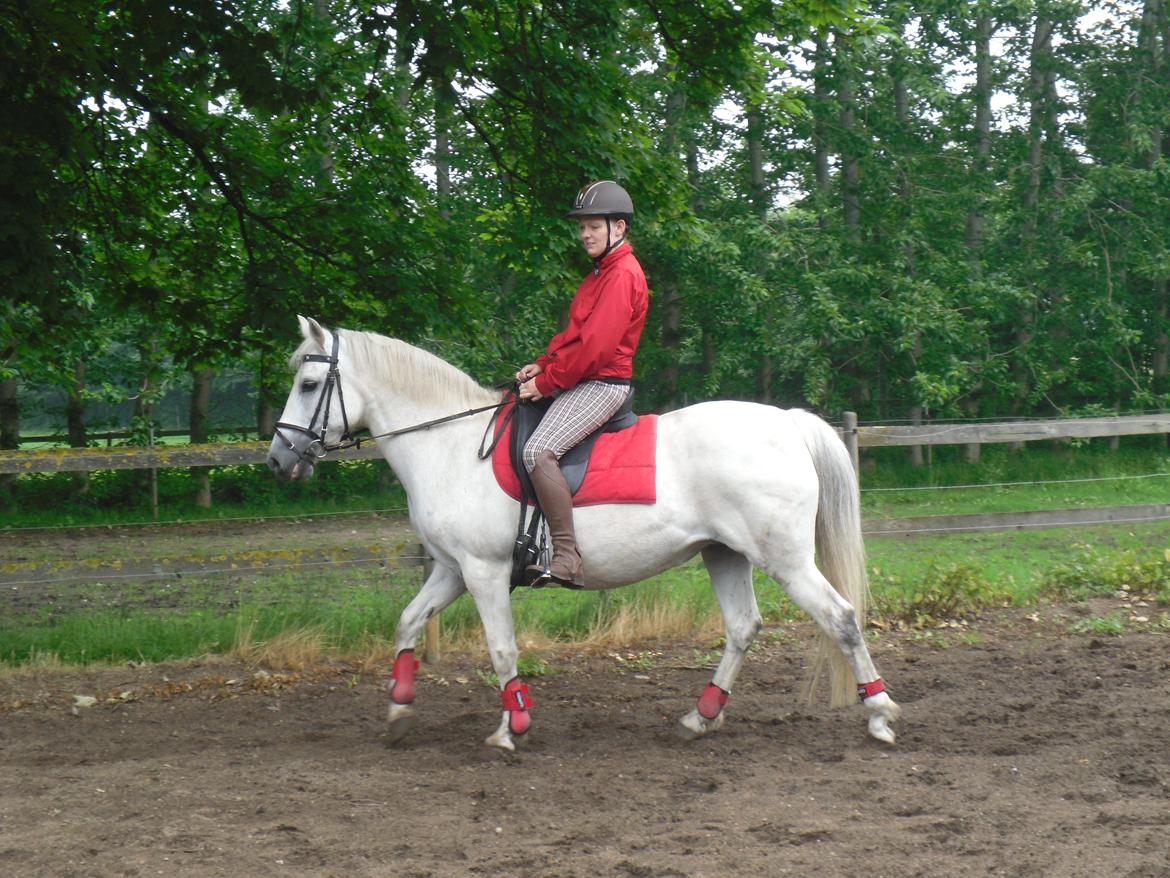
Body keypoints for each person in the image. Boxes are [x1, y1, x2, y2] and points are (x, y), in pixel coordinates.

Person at [515, 180, 650, 587]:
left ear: (618, 227)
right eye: (582, 227)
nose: (585, 234)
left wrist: (549, 382)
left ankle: (567, 556)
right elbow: (575, 336)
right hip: (584, 377)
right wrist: (543, 364)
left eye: (593, 226)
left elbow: (596, 347)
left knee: (537, 451)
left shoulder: (622, 274)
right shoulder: (600, 273)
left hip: (603, 384)